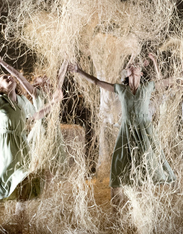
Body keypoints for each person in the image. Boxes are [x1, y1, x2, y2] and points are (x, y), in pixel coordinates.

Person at [69, 56, 175, 206]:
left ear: (141, 73)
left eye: (136, 65)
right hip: (126, 132)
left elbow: (168, 81)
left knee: (143, 167)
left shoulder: (148, 87)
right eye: (130, 65)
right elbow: (97, 82)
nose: (132, 66)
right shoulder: (121, 89)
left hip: (144, 133)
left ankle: (141, 205)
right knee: (117, 164)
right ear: (126, 73)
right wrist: (79, 71)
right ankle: (116, 208)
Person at [0, 72, 48, 230]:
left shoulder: (23, 100)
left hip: (22, 145)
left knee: (24, 182)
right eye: (4, 78)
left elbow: (36, 115)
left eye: (10, 76)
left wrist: (53, 102)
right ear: (0, 86)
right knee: (0, 185)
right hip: (6, 146)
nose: (9, 78)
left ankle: (18, 224)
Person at [0, 51, 69, 174]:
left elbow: (62, 73)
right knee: (38, 168)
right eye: (42, 76)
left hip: (55, 134)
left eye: (46, 75)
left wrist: (67, 55)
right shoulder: (36, 93)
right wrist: (0, 61)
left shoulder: (56, 92)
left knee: (55, 169)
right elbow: (18, 76)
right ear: (38, 82)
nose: (45, 76)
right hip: (40, 134)